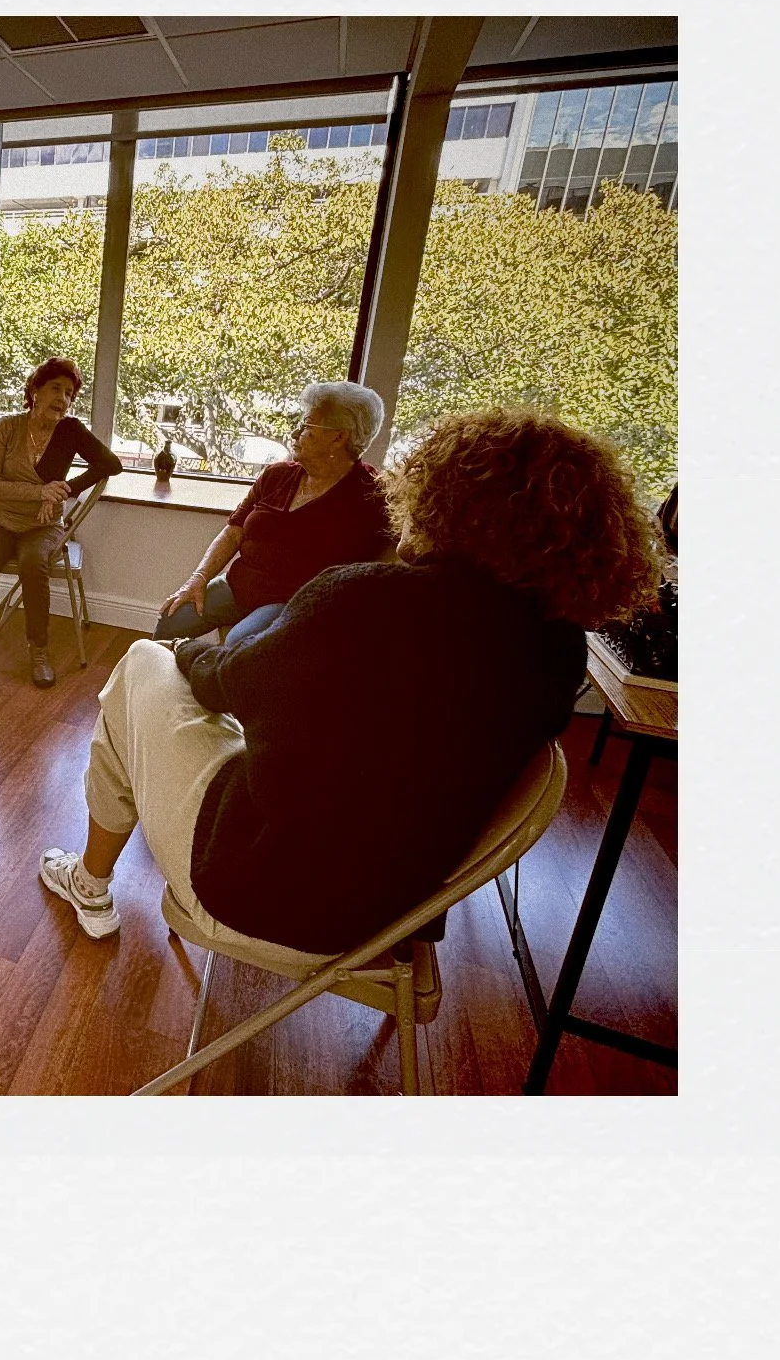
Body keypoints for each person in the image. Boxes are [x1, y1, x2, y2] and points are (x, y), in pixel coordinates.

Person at [39, 408, 661, 957]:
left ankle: (90, 883)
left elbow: (221, 686)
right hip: (390, 920)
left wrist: (190, 653)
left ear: (446, 499)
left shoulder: (362, 599)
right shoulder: (559, 650)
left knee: (142, 662)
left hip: (254, 895)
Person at [154, 380, 394, 646]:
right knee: (172, 618)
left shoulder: (374, 494)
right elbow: (234, 532)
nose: (294, 432)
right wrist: (197, 580)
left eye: (307, 426)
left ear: (338, 437)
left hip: (292, 605)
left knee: (238, 643)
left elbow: (391, 560)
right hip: (239, 587)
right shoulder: (276, 475)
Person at [0, 357, 122, 689]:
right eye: (56, 389)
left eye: (69, 393)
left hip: (43, 527)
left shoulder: (70, 431)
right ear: (35, 390)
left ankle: (39, 650)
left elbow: (110, 463)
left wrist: (63, 491)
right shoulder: (7, 428)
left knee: (34, 562)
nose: (62, 399)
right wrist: (40, 492)